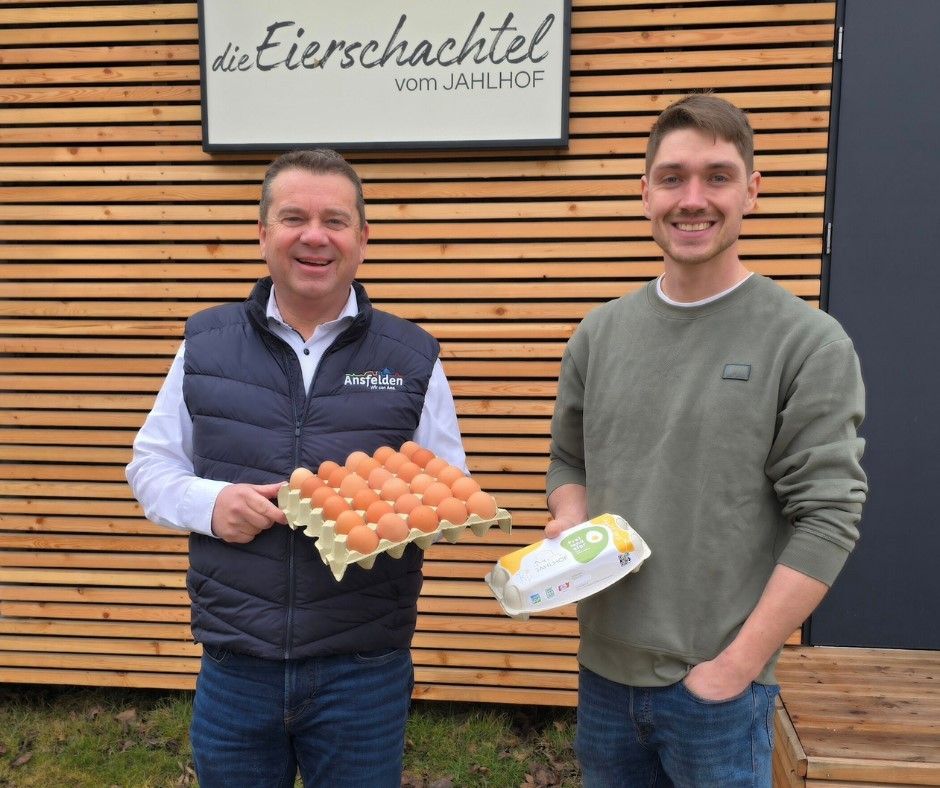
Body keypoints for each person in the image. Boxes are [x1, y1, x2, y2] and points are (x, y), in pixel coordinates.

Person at [544, 94, 867, 787]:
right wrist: (571, 518)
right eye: (673, 177)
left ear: (753, 189)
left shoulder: (805, 342)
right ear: (645, 193)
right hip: (602, 676)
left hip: (716, 692)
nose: (693, 199)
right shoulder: (598, 335)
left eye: (717, 176)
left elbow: (830, 517)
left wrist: (736, 668)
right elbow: (571, 458)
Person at [126, 149, 465, 787]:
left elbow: (447, 488)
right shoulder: (206, 344)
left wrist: (379, 511)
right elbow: (151, 464)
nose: (315, 236)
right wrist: (209, 503)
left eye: (336, 220)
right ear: (262, 234)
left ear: (363, 240)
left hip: (364, 668)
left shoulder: (411, 356)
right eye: (293, 218)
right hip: (235, 667)